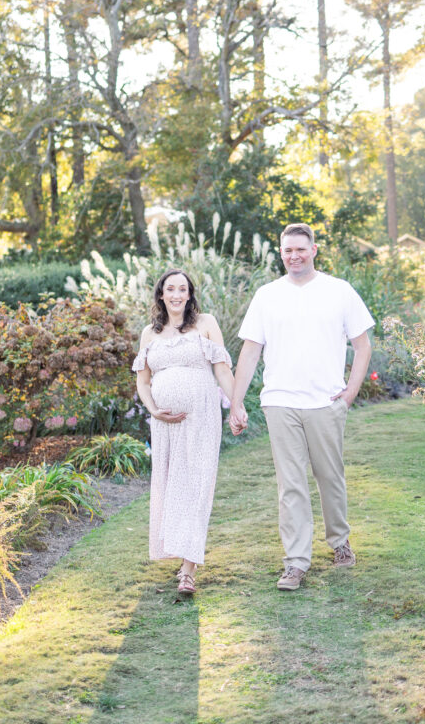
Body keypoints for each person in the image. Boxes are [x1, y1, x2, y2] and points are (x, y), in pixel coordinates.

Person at [229, 223, 374, 591]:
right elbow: (250, 351)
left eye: (300, 249)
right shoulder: (267, 295)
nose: (294, 256)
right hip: (280, 402)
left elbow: (362, 346)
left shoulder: (338, 291)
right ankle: (295, 562)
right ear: (281, 253)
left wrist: (350, 392)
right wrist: (236, 401)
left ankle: (339, 542)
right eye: (287, 250)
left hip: (325, 402)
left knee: (330, 477)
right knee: (290, 484)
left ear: (314, 250)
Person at [133, 268, 235, 596]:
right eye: (170, 289)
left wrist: (237, 405)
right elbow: (143, 381)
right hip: (164, 424)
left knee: (197, 485)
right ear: (161, 295)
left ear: (190, 294)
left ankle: (189, 569)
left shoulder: (206, 324)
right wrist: (152, 408)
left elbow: (221, 369)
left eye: (183, 289)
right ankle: (181, 553)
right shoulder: (149, 333)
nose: (176, 295)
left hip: (201, 417)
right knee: (172, 487)